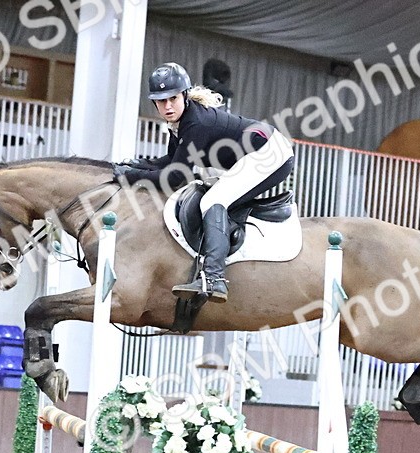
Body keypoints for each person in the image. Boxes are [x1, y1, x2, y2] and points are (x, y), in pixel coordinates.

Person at [114, 62, 295, 304]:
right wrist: (135, 166)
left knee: (213, 200)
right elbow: (171, 161)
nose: (167, 106)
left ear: (184, 96)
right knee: (214, 196)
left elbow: (175, 177)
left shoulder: (196, 123)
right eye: (161, 101)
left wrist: (128, 177)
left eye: (173, 98)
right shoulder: (180, 121)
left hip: (270, 153)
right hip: (260, 150)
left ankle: (214, 277)